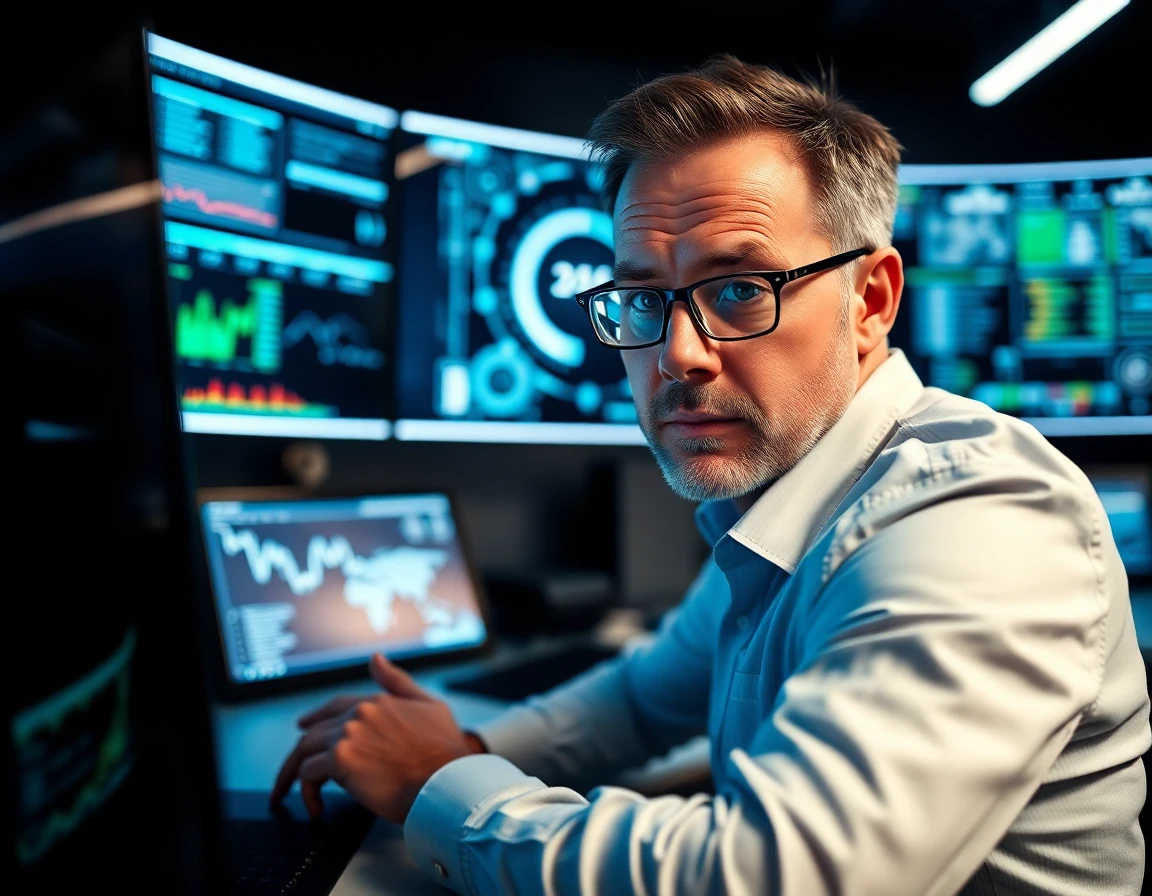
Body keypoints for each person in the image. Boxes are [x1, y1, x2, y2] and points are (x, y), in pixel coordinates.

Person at [270, 54, 1150, 894]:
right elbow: (641, 699)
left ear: (871, 301)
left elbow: (775, 879)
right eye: (641, 298)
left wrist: (445, 785)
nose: (676, 355)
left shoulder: (973, 518)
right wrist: (454, 740)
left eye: (738, 289)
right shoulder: (787, 505)